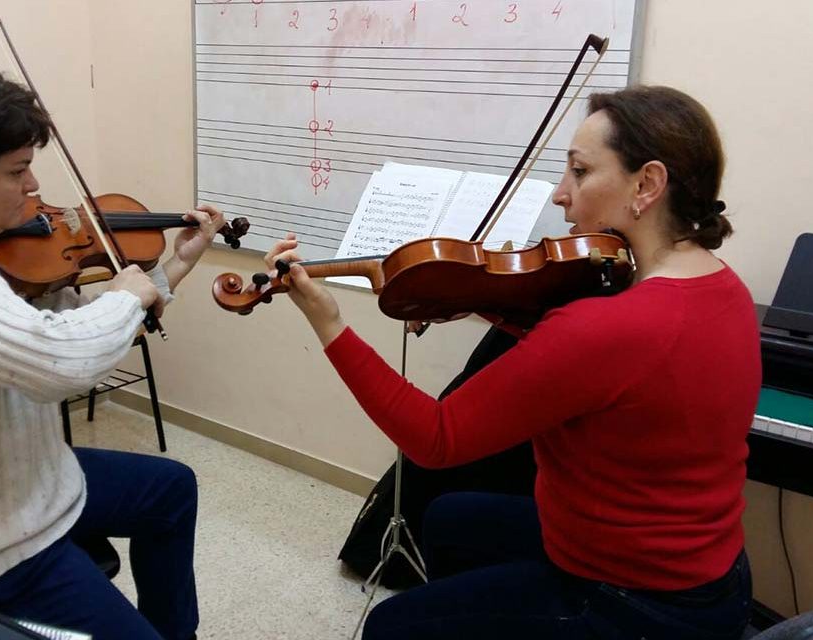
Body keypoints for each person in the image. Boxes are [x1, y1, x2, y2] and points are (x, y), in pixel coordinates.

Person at [266, 85, 759, 639]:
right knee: (451, 519)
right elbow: (601, 372)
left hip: (636, 599)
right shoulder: (723, 288)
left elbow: (437, 437)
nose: (560, 194)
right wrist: (476, 296)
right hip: (712, 574)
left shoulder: (608, 325)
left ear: (646, 184)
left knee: (389, 627)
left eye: (579, 171)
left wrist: (327, 319)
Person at [0, 60, 223, 640]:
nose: (33, 188)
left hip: (31, 485)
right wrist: (127, 293)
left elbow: (58, 325)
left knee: (169, 490)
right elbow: (62, 362)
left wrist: (171, 266)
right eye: (17, 171)